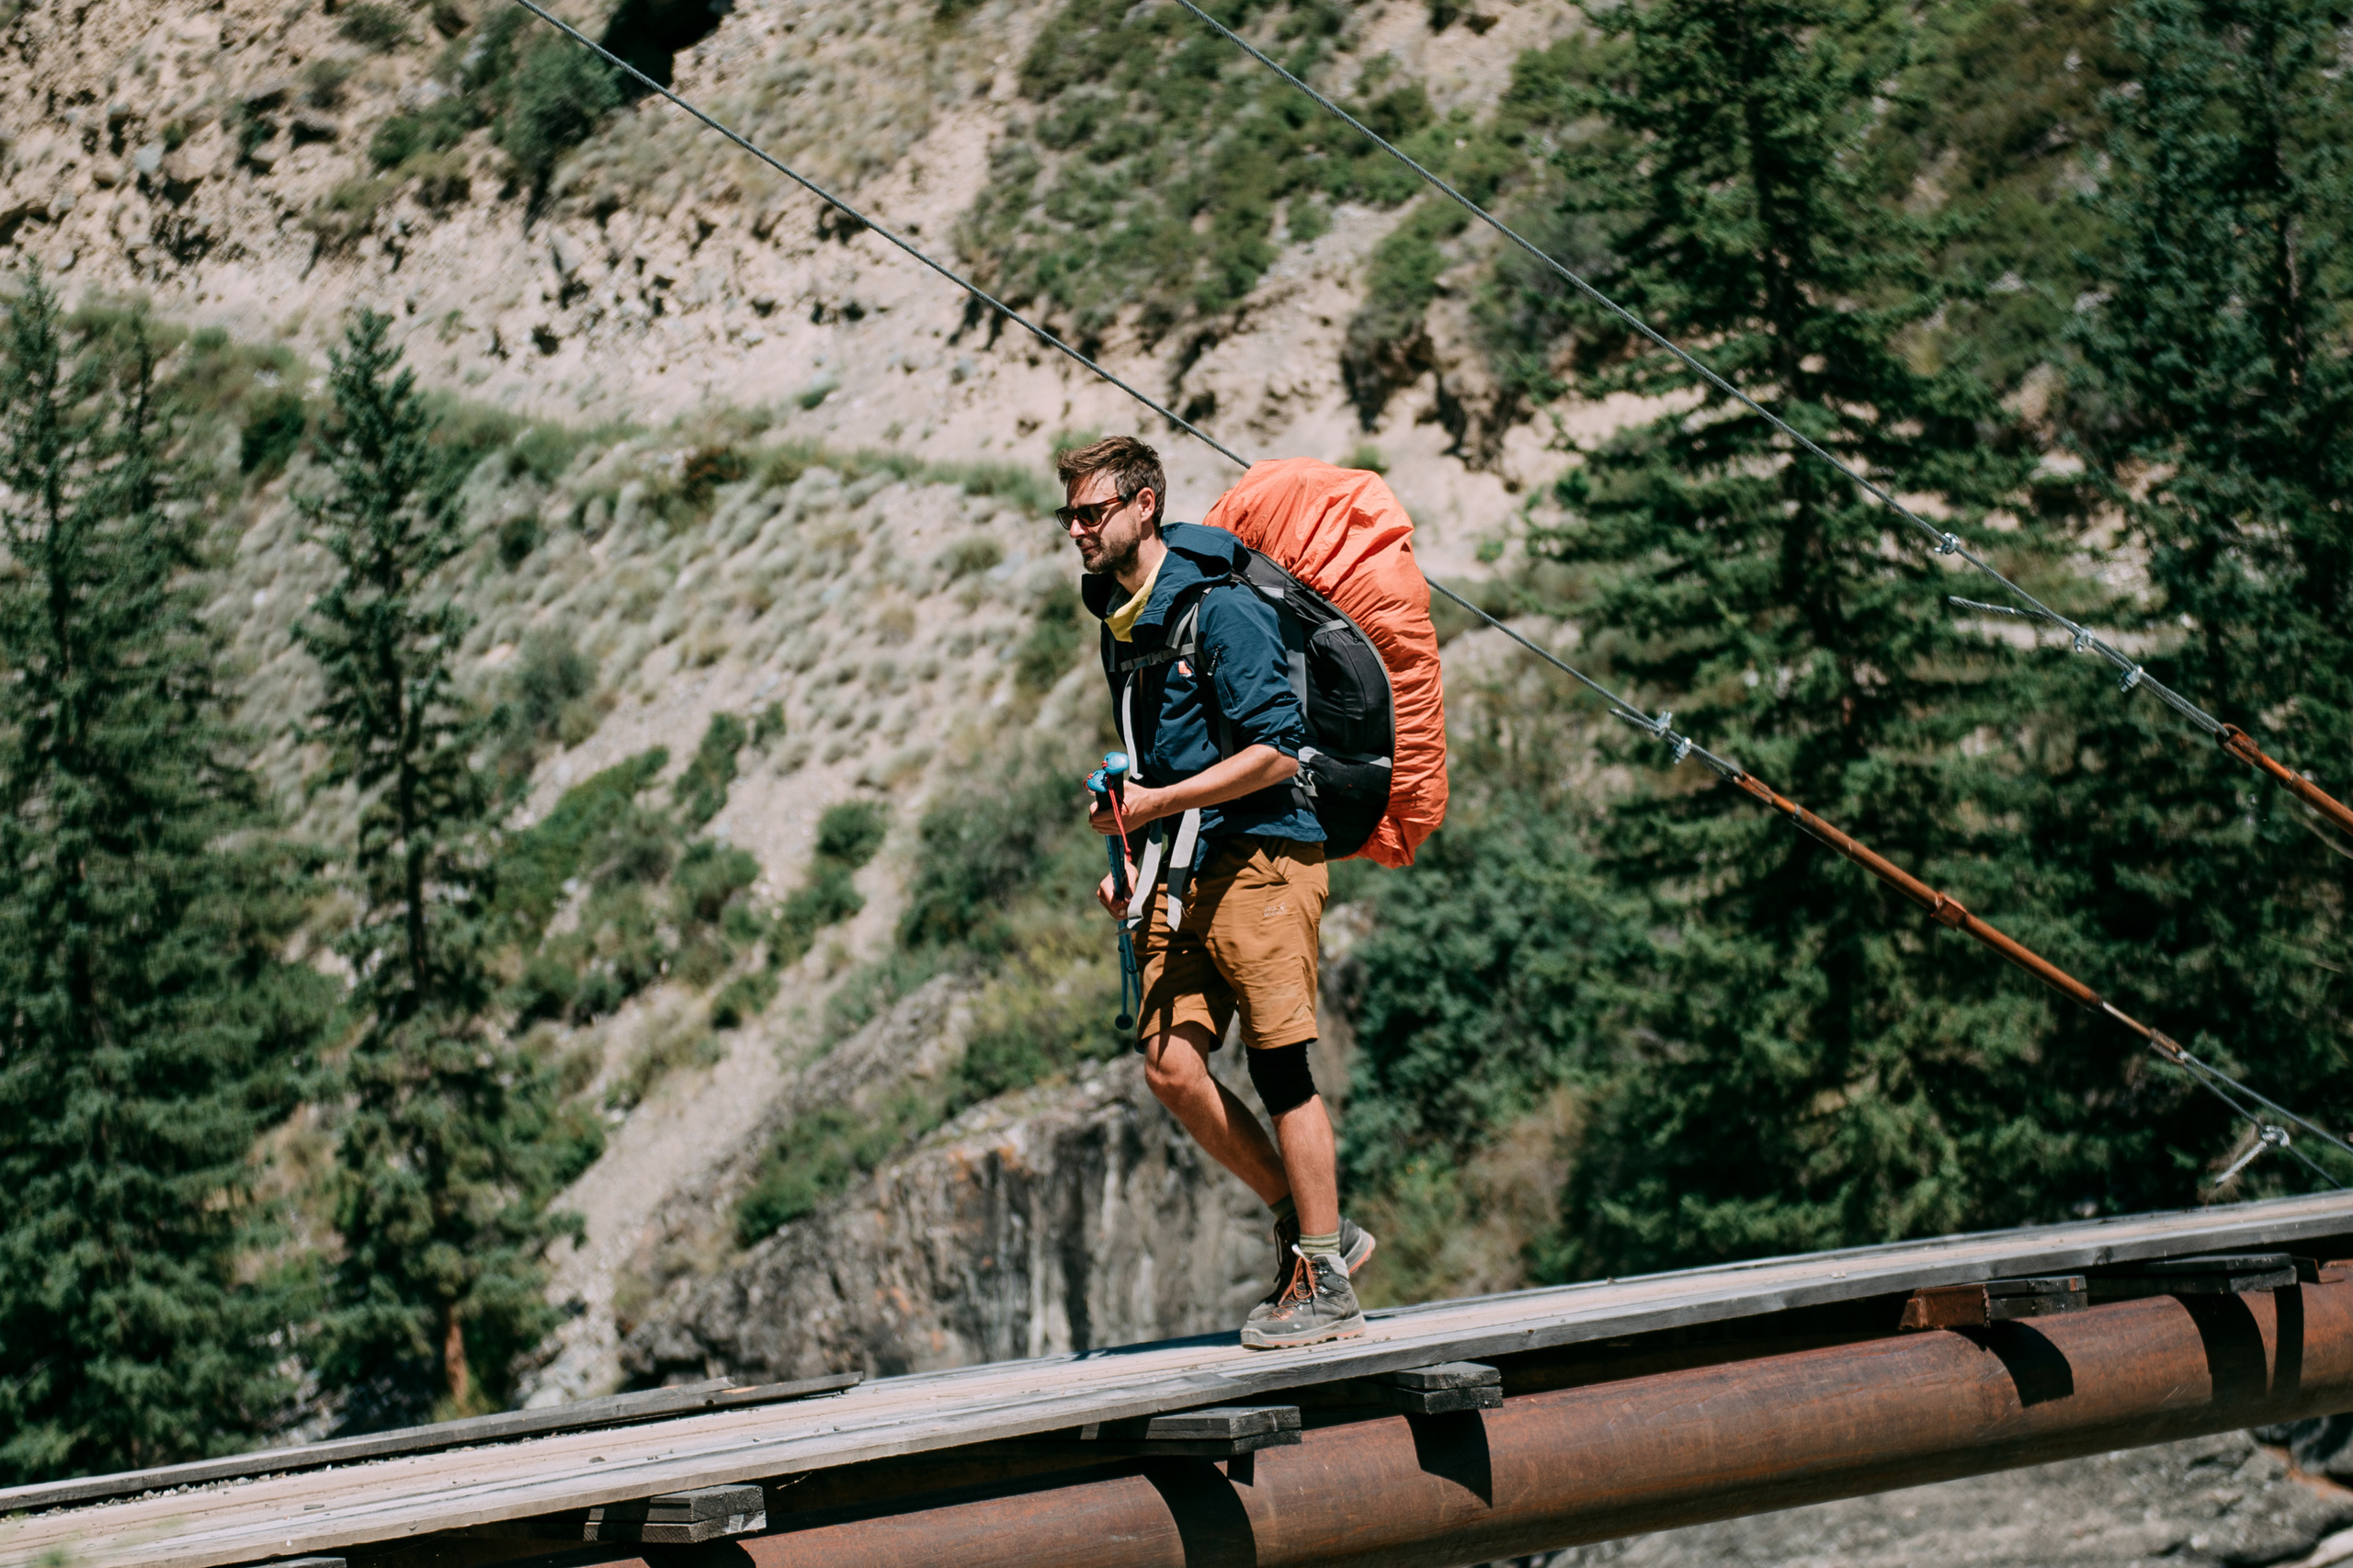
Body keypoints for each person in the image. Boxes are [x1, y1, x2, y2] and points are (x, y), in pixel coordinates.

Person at [1056, 435, 1374, 1350]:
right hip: (1180, 864)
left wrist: (1158, 802)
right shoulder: (1124, 621)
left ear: (1143, 505)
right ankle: (1318, 1229)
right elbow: (1158, 754)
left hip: (1265, 854)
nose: (1078, 529)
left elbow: (1278, 747)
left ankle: (1323, 1281)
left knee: (1280, 1067)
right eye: (1069, 515)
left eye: (1093, 511)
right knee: (1169, 1063)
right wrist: (1131, 844)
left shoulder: (1220, 611)